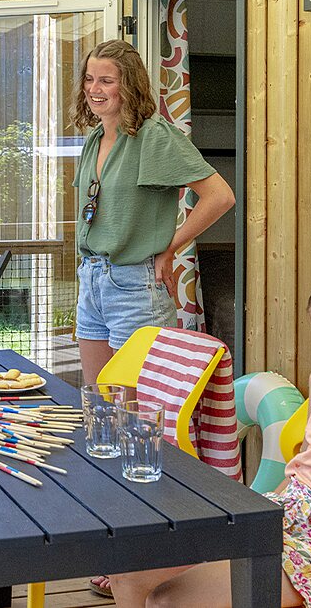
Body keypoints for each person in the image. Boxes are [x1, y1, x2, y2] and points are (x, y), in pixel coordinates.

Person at [110, 264, 311, 608]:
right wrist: (259, 511)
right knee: (127, 572)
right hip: (285, 513)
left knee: (166, 601)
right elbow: (305, 468)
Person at [72, 39, 235, 386]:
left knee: (136, 414)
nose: (94, 89)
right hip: (92, 279)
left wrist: (171, 246)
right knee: (97, 402)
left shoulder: (154, 136)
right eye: (89, 79)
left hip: (134, 286)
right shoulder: (95, 138)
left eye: (106, 80)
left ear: (129, 85)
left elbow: (219, 196)